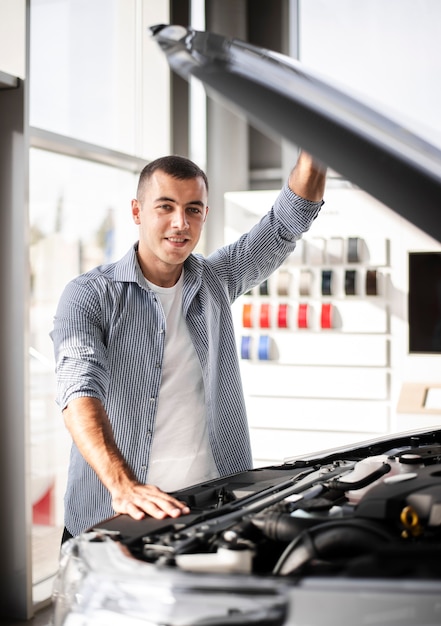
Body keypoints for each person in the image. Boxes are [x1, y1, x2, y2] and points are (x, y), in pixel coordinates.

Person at [51, 150, 326, 541]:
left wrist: (318, 150)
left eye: (193, 210)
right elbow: (78, 391)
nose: (180, 223)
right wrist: (123, 486)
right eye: (166, 206)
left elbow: (286, 222)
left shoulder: (217, 280)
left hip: (213, 509)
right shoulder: (89, 295)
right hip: (114, 517)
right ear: (137, 212)